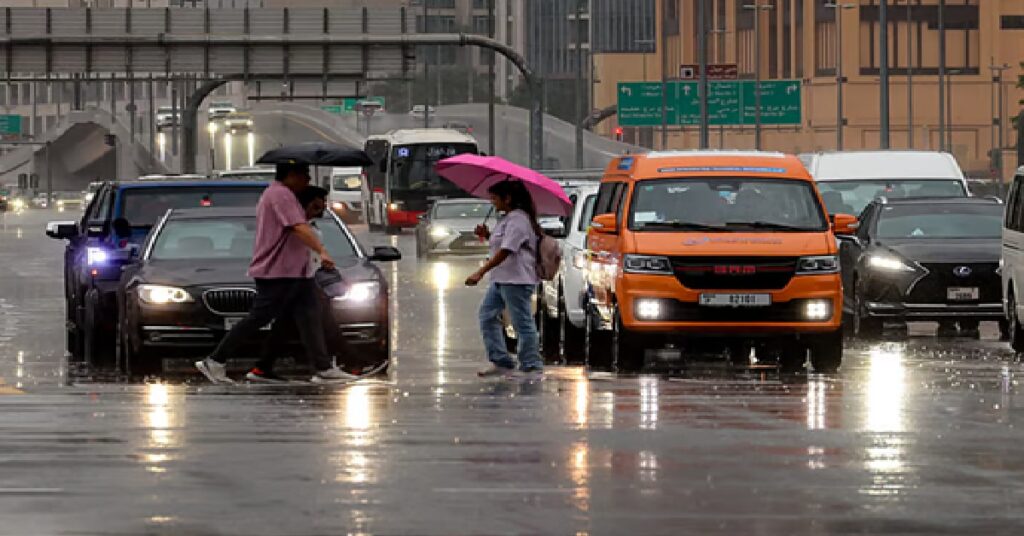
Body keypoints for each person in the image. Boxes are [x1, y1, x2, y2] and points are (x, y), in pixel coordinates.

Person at [195, 163, 353, 384]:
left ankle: (318, 368)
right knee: (260, 317)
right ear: (290, 175)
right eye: (303, 175)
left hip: (298, 272)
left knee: (308, 317)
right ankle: (215, 360)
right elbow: (298, 226)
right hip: (278, 271)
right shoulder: (280, 195)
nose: (307, 180)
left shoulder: (283, 195)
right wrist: (322, 250)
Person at [244, 186, 354, 383]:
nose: (321, 208)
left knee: (286, 325)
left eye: (323, 204)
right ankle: (331, 366)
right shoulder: (296, 227)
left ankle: (263, 367)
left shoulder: (309, 225)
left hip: (305, 279)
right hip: (294, 281)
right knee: (316, 322)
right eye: (317, 203)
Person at [465, 180, 544, 378]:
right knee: (487, 316)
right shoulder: (508, 219)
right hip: (502, 278)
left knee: (522, 322)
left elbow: (507, 249)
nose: (492, 202)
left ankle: (530, 364)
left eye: (495, 198)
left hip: (516, 280)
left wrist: (480, 271)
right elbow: (504, 242)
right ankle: (501, 361)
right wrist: (487, 234)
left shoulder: (519, 219)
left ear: (507, 198)